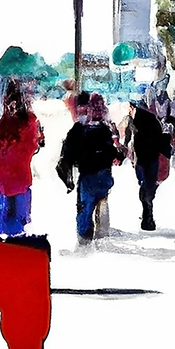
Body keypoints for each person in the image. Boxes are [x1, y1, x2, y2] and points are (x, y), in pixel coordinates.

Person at [56, 92, 125, 245]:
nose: (98, 111)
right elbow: (68, 155)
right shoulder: (81, 130)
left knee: (94, 210)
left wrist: (117, 153)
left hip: (101, 177)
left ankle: (93, 242)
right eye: (95, 107)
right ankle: (87, 242)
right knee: (87, 211)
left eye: (101, 107)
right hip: (90, 176)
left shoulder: (103, 130)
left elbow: (114, 152)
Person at [0, 81, 44, 237]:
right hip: (18, 176)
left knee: (5, 219)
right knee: (19, 221)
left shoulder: (4, 122)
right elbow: (31, 147)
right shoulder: (29, 121)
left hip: (5, 176)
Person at [125, 92, 172, 230]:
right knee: (147, 186)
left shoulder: (141, 119)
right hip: (148, 158)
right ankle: (148, 215)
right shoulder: (143, 118)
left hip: (146, 158)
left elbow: (149, 139)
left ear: (132, 106)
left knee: (146, 186)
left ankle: (148, 217)